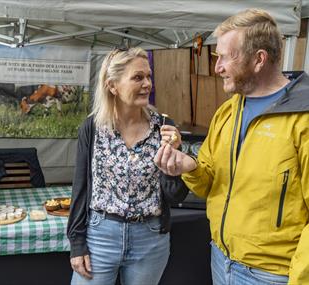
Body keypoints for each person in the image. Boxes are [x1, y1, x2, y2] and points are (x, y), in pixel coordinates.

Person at [157, 8, 309, 285]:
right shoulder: (228, 112)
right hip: (221, 260)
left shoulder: (304, 118)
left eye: (226, 57)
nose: (217, 67)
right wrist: (189, 166)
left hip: (273, 276)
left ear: (259, 59)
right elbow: (207, 186)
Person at [67, 47, 189, 285]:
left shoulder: (163, 128)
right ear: (113, 85)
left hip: (150, 240)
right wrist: (77, 243)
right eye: (137, 77)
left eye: (148, 76)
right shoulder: (92, 128)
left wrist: (174, 158)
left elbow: (177, 195)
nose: (147, 84)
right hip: (100, 235)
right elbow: (79, 189)